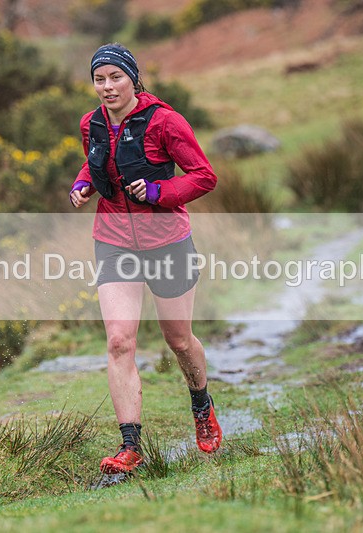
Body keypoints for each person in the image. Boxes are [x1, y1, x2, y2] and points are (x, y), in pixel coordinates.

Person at [69, 43, 222, 475]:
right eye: (99, 79)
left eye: (115, 77)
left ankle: (200, 403)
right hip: (113, 240)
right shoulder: (91, 124)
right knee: (119, 341)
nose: (107, 87)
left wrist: (160, 193)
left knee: (179, 341)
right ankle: (129, 447)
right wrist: (83, 185)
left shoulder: (165, 122)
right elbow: (97, 164)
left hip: (167, 242)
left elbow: (204, 176)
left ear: (133, 79)